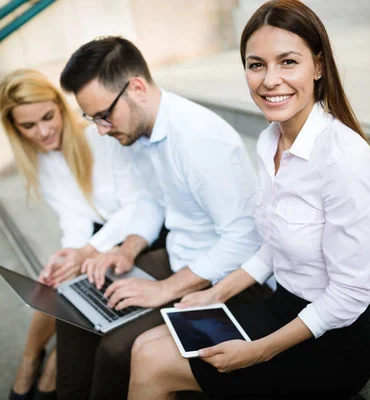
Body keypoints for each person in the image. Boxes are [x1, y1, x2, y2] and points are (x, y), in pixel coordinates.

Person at [127, 1, 370, 399]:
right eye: (256, 64)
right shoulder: (271, 140)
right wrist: (216, 293)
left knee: (153, 363)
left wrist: (257, 353)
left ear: (317, 66)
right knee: (144, 345)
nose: (270, 80)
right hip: (283, 304)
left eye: (287, 62)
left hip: (332, 341)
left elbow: (349, 295)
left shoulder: (344, 157)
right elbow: (272, 248)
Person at [55, 36, 263, 400]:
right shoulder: (136, 130)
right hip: (181, 257)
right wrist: (128, 249)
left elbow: (244, 239)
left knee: (117, 349)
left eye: (104, 115)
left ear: (136, 88)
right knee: (72, 302)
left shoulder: (199, 140)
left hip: (225, 279)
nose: (101, 129)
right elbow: (152, 201)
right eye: (92, 119)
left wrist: (165, 289)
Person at [0, 69, 160, 400]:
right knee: (56, 278)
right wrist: (70, 253)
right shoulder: (40, 160)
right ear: (14, 129)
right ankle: (33, 362)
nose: (42, 132)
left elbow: (135, 208)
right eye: (28, 126)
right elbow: (73, 216)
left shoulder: (100, 138)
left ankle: (45, 366)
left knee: (73, 289)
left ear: (60, 106)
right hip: (101, 231)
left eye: (47, 117)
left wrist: (86, 252)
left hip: (141, 231)